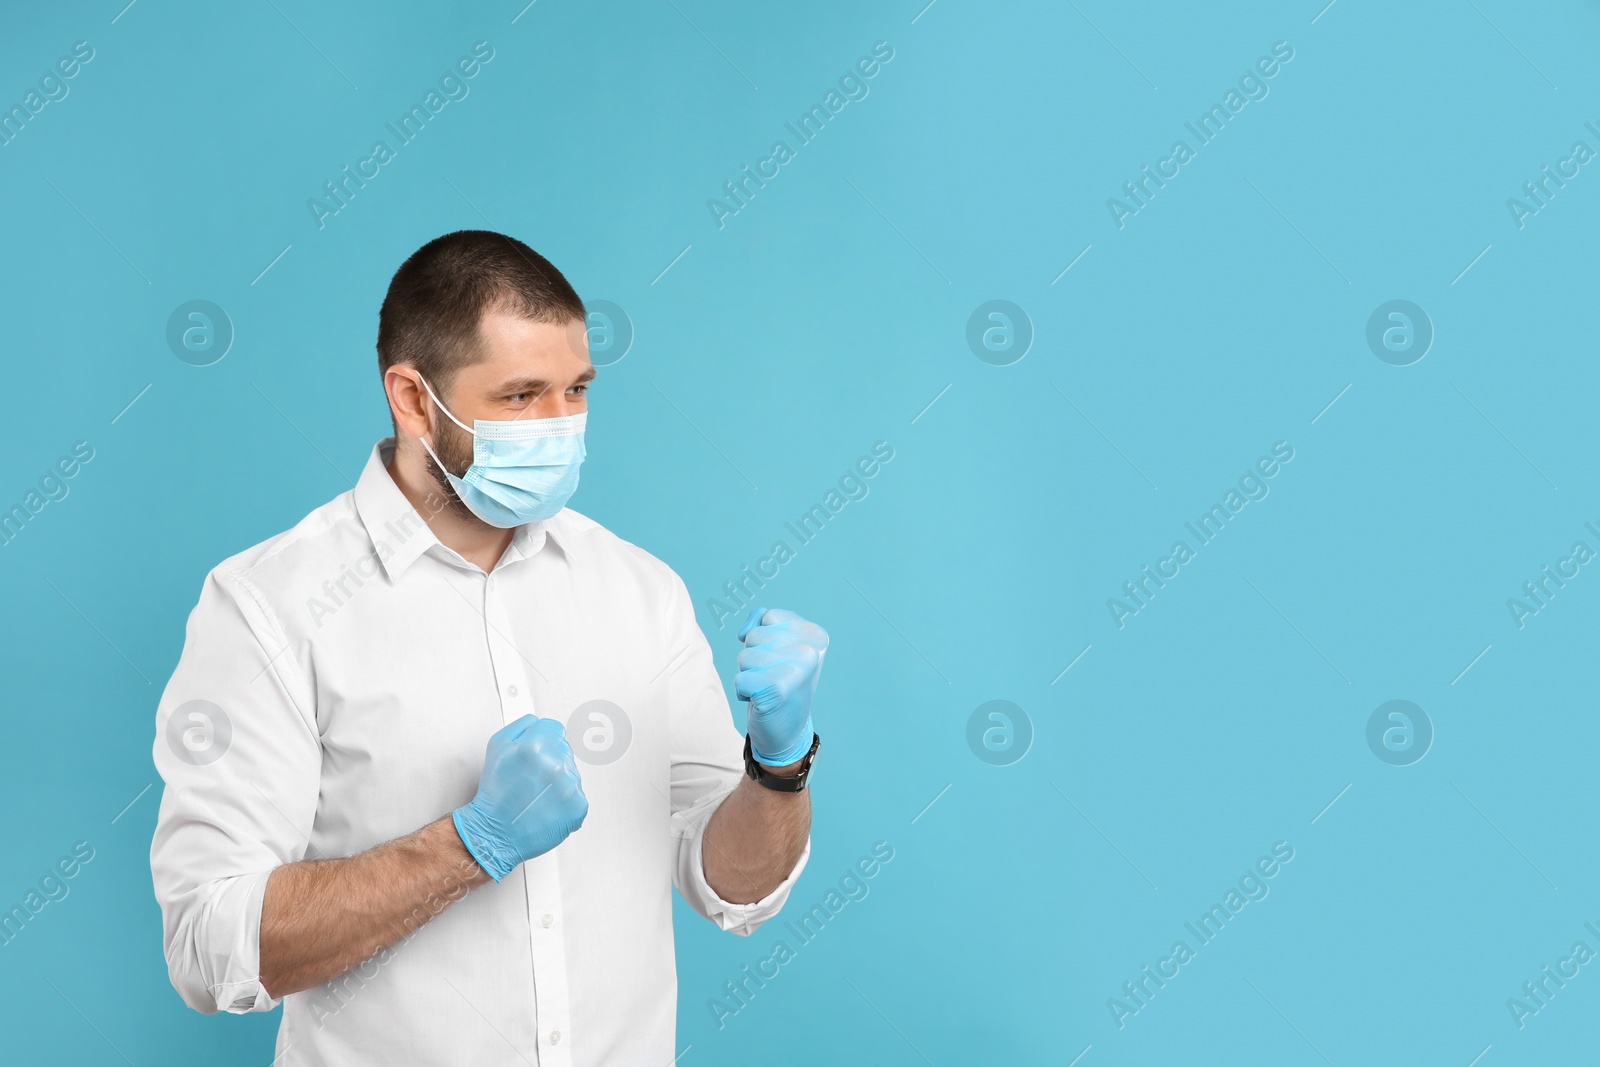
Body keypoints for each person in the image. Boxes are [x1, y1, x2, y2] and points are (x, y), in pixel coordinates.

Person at [149, 230, 828, 1066]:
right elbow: (210, 946)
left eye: (577, 389)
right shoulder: (269, 607)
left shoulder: (639, 591)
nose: (561, 425)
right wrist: (470, 844)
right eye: (520, 395)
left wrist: (778, 766)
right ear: (412, 398)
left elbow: (733, 889)